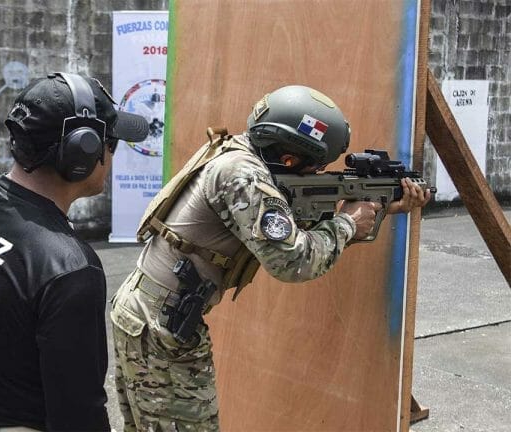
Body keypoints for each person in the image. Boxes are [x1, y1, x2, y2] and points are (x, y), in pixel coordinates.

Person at [109, 85, 431, 432]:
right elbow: (294, 261)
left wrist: (381, 207)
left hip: (149, 311)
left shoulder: (237, 154)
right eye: (315, 166)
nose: (315, 174)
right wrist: (348, 224)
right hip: (163, 324)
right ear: (290, 157)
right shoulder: (244, 176)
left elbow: (289, 228)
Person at [0, 72, 149, 431]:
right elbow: (78, 414)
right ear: (83, 152)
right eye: (111, 142)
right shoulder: (71, 268)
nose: (113, 154)